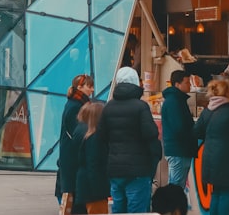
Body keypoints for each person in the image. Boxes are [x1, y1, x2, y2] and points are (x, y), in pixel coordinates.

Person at [99, 67, 160, 213]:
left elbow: (101, 137)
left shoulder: (108, 107)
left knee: (119, 209)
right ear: (135, 82)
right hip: (139, 169)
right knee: (137, 210)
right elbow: (151, 134)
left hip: (115, 169)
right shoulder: (140, 107)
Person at [194, 78, 229, 215]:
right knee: (226, 193)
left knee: (216, 192)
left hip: (210, 157)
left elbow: (197, 132)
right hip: (227, 159)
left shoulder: (206, 111)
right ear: (227, 93)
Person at [56, 74, 94, 211]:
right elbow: (76, 135)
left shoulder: (77, 104)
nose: (92, 90)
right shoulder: (75, 106)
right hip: (73, 160)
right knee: (74, 200)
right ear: (79, 87)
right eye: (89, 86)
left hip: (72, 159)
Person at [161, 70, 196, 189]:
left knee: (177, 186)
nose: (189, 85)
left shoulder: (177, 100)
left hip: (179, 150)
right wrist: (193, 132)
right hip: (179, 150)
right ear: (177, 84)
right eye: (187, 82)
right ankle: (172, 207)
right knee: (176, 187)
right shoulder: (174, 102)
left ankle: (173, 206)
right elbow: (179, 128)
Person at [73, 102, 109, 214]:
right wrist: (99, 190)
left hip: (85, 185)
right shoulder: (94, 137)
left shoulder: (81, 132)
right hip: (94, 189)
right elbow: (93, 164)